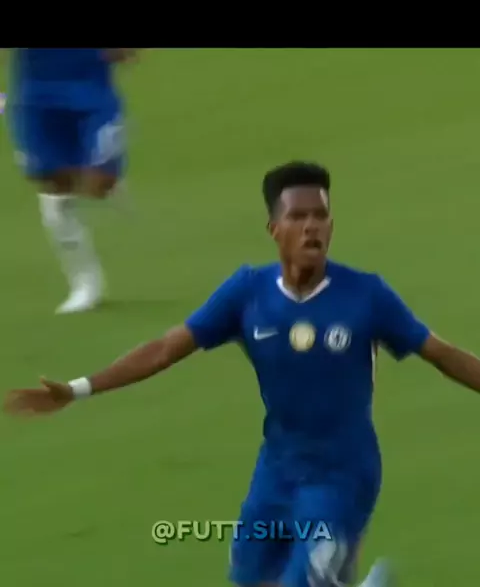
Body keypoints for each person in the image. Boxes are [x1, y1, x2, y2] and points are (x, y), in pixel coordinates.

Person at [5, 160, 479, 587]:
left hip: (342, 477)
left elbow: (441, 353)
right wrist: (78, 389)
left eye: (321, 216)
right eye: (298, 216)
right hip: (277, 470)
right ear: (274, 229)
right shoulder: (248, 293)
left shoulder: (366, 296)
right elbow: (166, 349)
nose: (311, 226)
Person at [6, 48, 136, 314]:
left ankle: (105, 177)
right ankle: (85, 282)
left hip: (91, 90)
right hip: (36, 95)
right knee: (52, 183)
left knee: (100, 183)